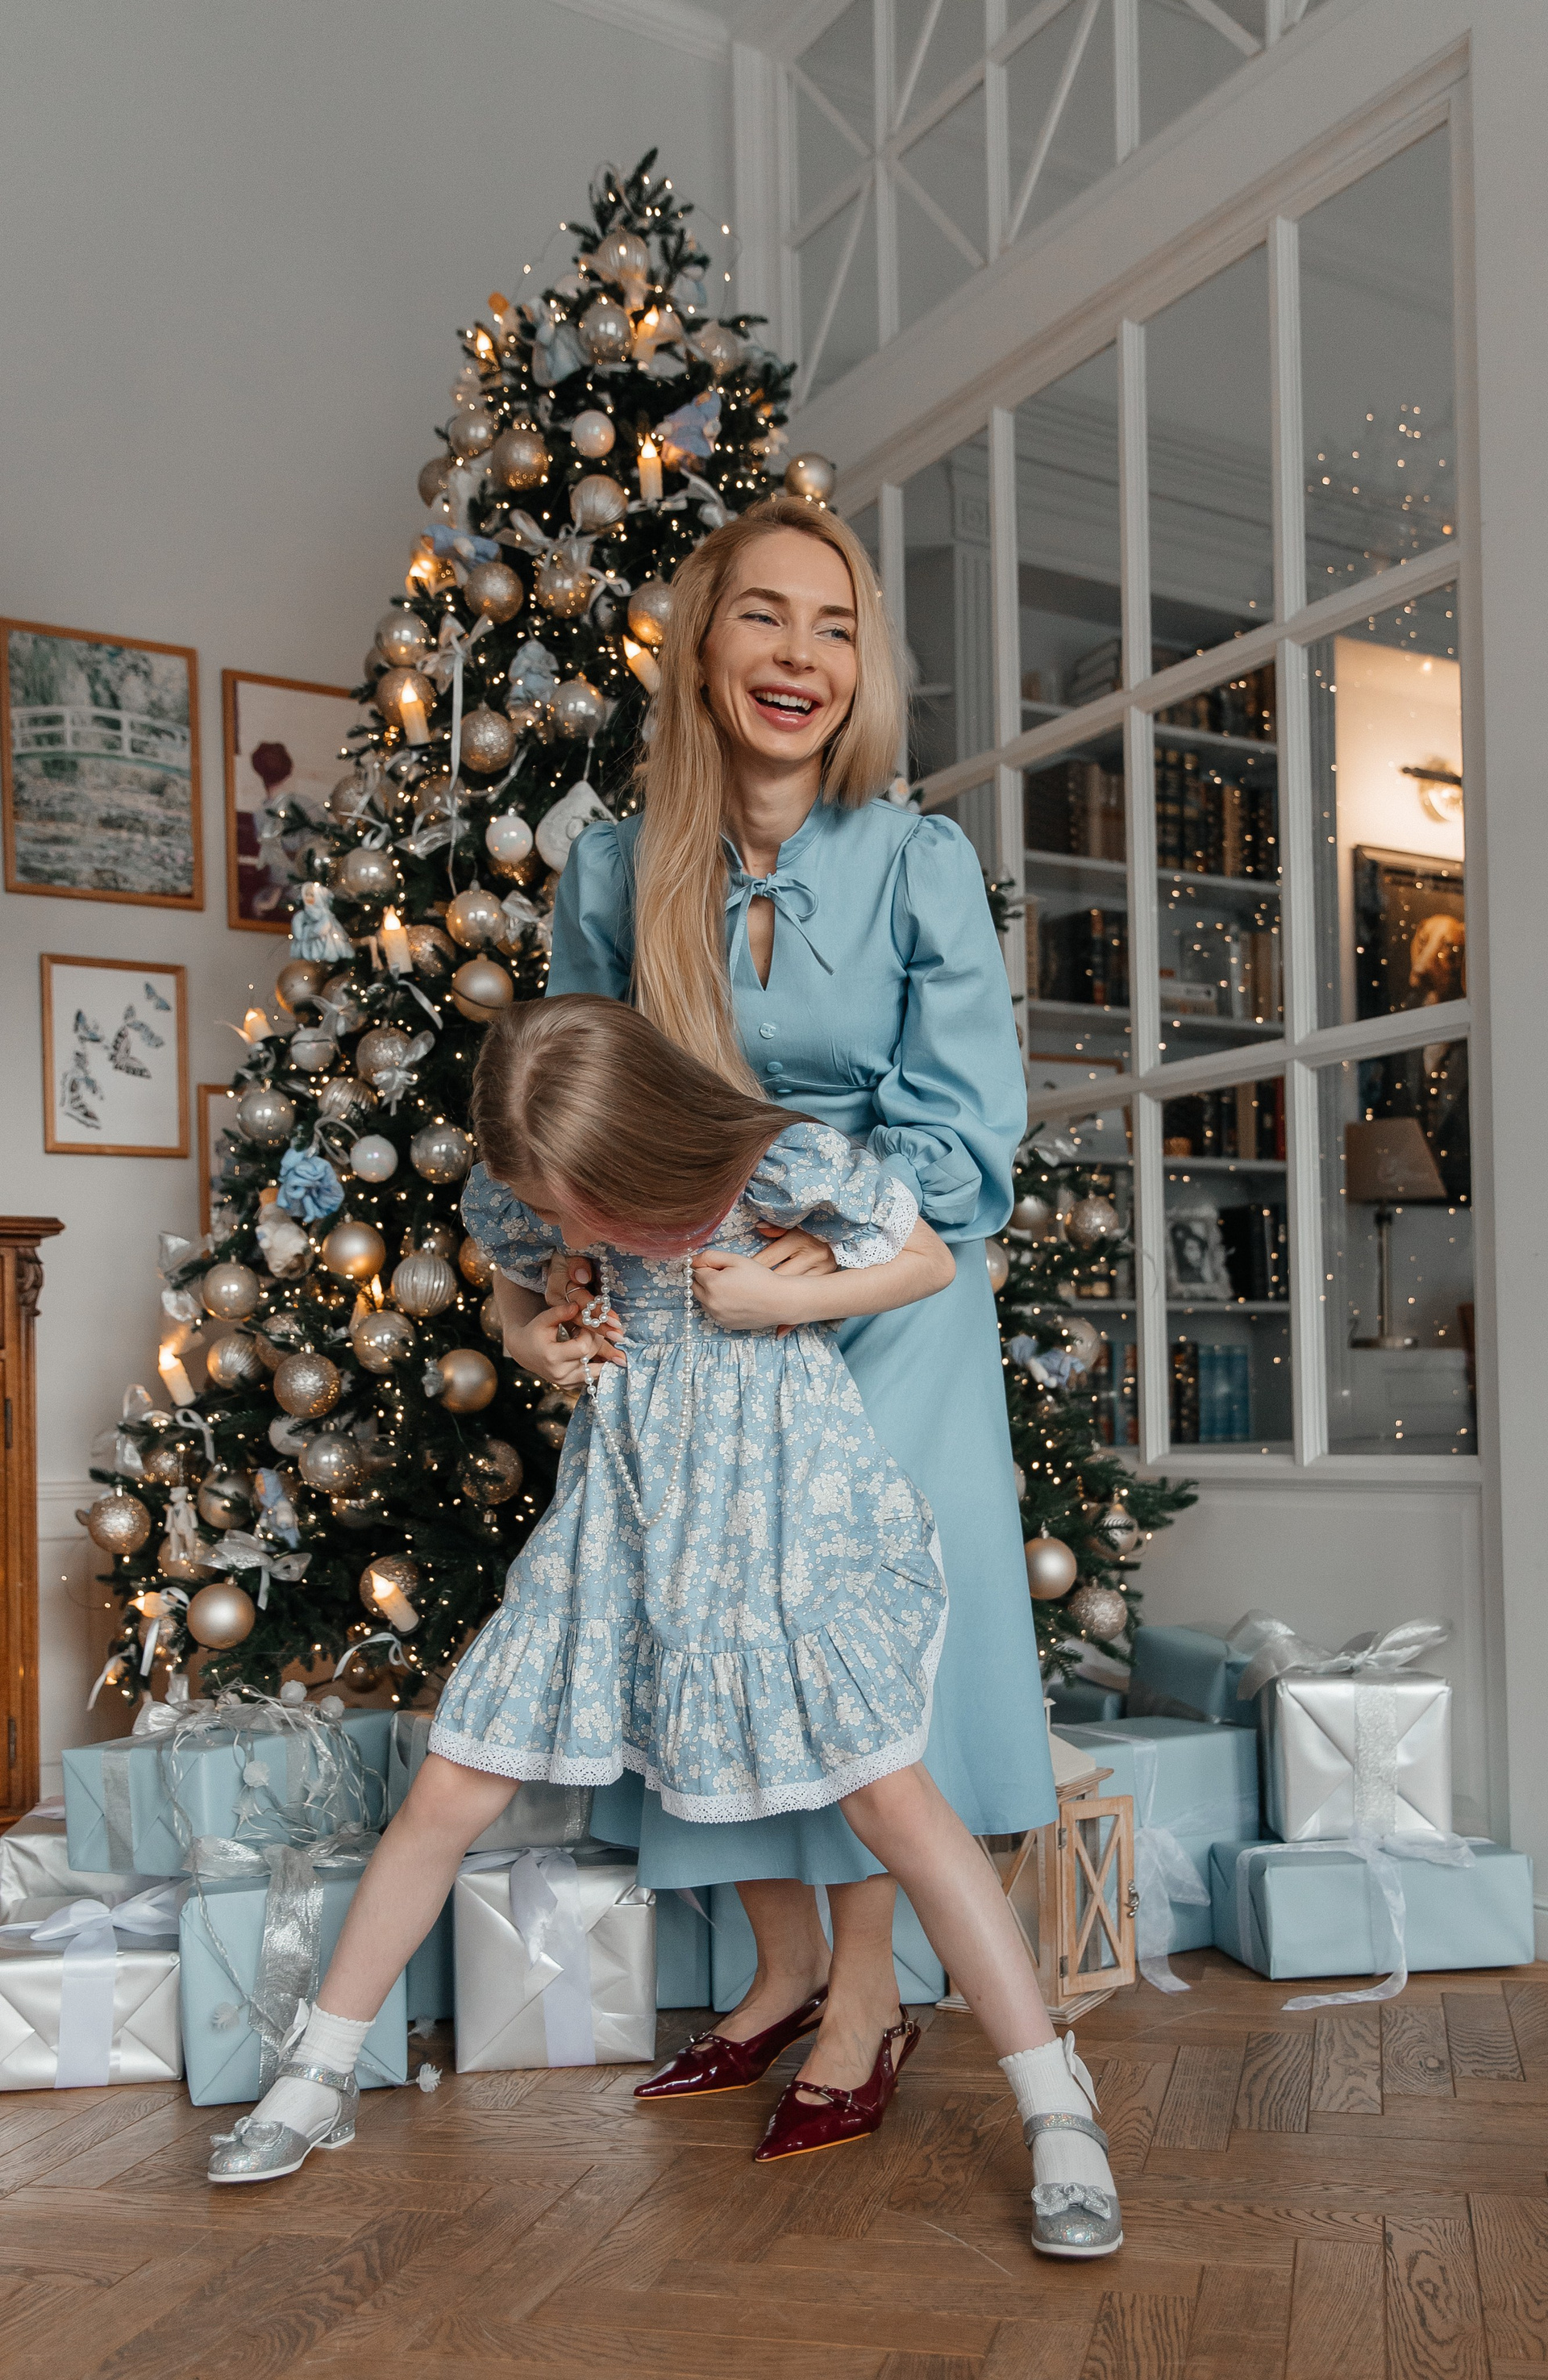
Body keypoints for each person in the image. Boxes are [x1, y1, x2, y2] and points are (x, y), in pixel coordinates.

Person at [206, 996, 1121, 2258]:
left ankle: (1057, 2108)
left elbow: (928, 1262)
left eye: (588, 1209)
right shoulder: (533, 1185)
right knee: (453, 1778)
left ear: (644, 1144)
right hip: (625, 1525)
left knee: (894, 1801)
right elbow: (512, 1290)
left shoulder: (779, 1162)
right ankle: (316, 2074)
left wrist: (776, 1300)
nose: (571, 1230)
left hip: (785, 1522)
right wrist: (537, 1338)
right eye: (555, 1211)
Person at [543, 492, 1055, 2124]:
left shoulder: (919, 860)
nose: (800, 656)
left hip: (889, 1300)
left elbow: (965, 1134)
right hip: (695, 1302)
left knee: (852, 1641)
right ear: (703, 645)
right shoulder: (615, 869)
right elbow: (574, 1098)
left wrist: (804, 1273)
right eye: (765, 614)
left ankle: (867, 1993)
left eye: (836, 627)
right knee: (712, 1618)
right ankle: (778, 1974)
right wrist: (568, 1260)